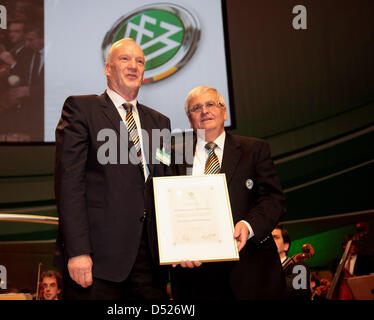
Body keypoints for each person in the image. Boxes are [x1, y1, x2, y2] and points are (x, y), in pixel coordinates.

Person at [54, 38, 172, 300]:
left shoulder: (160, 122)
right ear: (107, 69)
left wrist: (177, 244)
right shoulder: (81, 109)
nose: (133, 66)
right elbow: (69, 184)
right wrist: (78, 251)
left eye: (139, 61)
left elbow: (164, 184)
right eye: (125, 59)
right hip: (98, 260)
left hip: (150, 262)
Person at [170, 85, 286, 300]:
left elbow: (273, 200)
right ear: (189, 118)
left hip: (251, 271)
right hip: (195, 277)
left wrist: (248, 225)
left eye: (211, 104)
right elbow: (166, 209)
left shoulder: (254, 149)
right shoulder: (174, 158)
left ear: (224, 112)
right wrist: (177, 250)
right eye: (196, 107)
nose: (204, 110)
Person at [272, 224, 311, 300]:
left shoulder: (300, 265)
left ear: (286, 246)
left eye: (275, 237)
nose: (270, 241)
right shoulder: (262, 268)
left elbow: (297, 288)